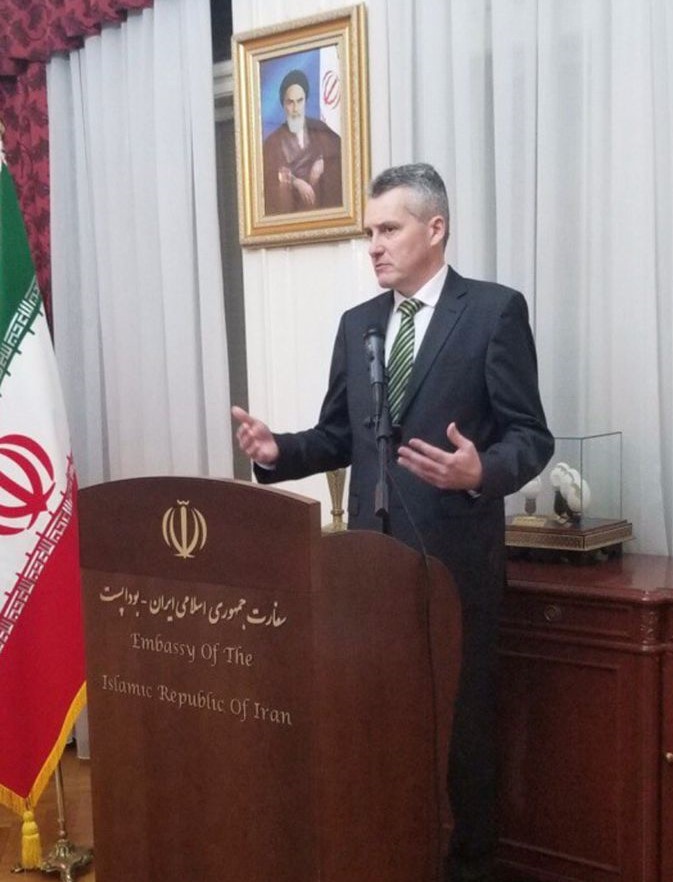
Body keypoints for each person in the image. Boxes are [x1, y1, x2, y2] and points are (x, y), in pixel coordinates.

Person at [232, 162, 554, 882]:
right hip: (366, 571)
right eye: (367, 233)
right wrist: (277, 451)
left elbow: (532, 436)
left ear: (434, 229)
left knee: (460, 733)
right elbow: (338, 435)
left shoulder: (494, 312)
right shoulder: (359, 325)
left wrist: (481, 471)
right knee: (375, 728)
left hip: (454, 566)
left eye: (387, 229)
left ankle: (466, 867)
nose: (373, 246)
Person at [262, 68, 342, 215]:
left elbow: (343, 153)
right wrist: (295, 182)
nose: (295, 108)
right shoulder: (272, 142)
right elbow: (269, 179)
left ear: (306, 101)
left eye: (300, 101)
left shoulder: (320, 130)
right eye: (290, 102)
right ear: (283, 105)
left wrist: (323, 163)